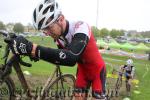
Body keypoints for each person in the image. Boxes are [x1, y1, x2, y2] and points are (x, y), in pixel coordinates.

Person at [6, 0, 106, 99]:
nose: (47, 33)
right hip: (82, 72)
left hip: (97, 70)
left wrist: (33, 49)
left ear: (61, 19)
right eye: (44, 30)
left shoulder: (80, 27)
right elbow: (60, 57)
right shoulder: (58, 37)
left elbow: (70, 58)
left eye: (48, 28)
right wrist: (33, 53)